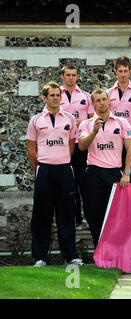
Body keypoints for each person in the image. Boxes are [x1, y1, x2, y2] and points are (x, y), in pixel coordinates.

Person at [26, 82, 83, 267]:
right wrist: (41, 166)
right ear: (45, 98)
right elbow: (30, 149)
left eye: (58, 95)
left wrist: (61, 160)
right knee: (42, 215)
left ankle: (71, 255)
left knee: (67, 214)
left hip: (65, 170)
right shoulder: (36, 120)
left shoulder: (69, 119)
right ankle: (40, 257)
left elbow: (71, 145)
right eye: (52, 95)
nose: (56, 98)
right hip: (44, 171)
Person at [78, 88, 131, 247]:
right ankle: (99, 248)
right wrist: (94, 132)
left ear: (109, 100)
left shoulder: (122, 122)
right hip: (94, 173)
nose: (102, 103)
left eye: (104, 99)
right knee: (94, 213)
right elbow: (81, 146)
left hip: (115, 173)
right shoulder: (87, 124)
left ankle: (116, 249)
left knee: (117, 214)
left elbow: (130, 148)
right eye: (98, 100)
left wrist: (127, 173)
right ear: (93, 104)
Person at [59, 64, 94, 230]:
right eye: (68, 75)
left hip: (82, 145)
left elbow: (93, 119)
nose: (71, 78)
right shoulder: (56, 94)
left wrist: (83, 122)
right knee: (68, 184)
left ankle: (87, 219)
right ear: (62, 76)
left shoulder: (86, 96)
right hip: (63, 146)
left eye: (74, 75)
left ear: (77, 76)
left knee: (84, 183)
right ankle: (74, 219)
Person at [107, 56, 131, 182]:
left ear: (130, 71)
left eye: (125, 71)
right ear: (115, 71)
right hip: (114, 139)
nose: (123, 74)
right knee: (115, 174)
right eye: (120, 71)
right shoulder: (108, 93)